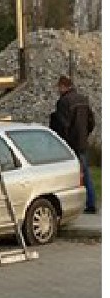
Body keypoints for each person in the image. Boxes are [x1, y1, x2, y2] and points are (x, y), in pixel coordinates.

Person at [49, 75, 97, 213]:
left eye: (59, 87)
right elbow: (91, 122)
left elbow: (63, 124)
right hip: (82, 142)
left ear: (63, 86)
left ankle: (65, 204)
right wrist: (85, 135)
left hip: (69, 143)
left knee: (64, 173)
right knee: (85, 172)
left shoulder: (63, 102)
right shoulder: (83, 99)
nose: (58, 90)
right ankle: (91, 202)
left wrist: (61, 141)